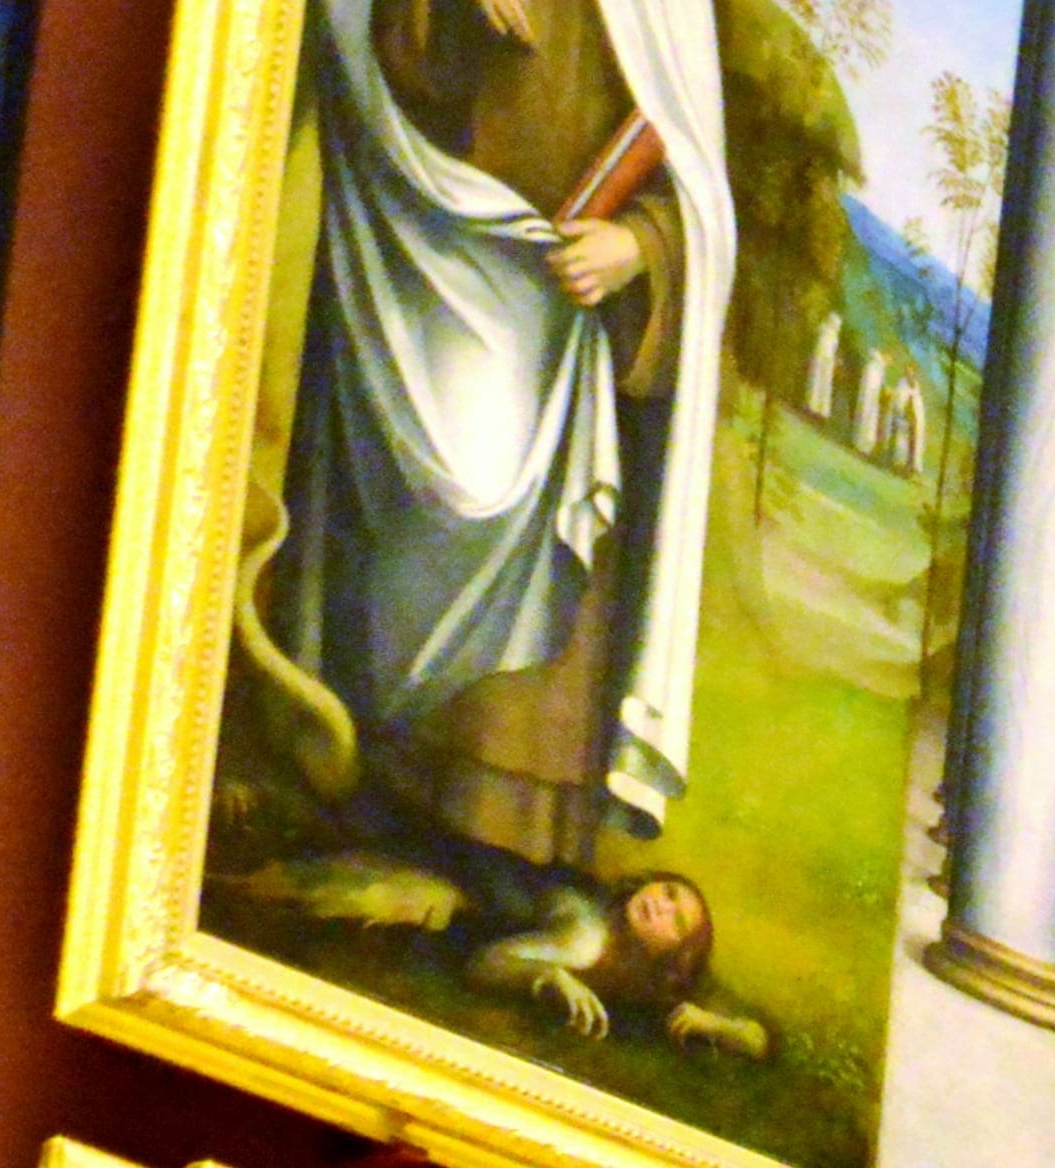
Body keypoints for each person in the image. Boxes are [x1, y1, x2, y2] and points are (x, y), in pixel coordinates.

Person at [269, 0, 721, 895]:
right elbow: (385, 63)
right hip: (430, 271)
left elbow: (701, 189)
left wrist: (639, 245)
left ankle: (503, 850)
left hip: (566, 325)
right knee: (409, 535)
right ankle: (363, 783)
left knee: (539, 639)